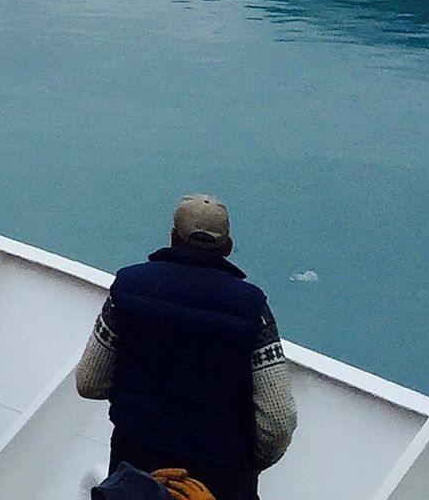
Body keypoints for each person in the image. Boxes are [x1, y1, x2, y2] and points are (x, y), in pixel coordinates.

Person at [77, 195, 298, 500]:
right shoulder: (252, 310)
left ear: (172, 237)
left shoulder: (128, 288)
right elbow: (277, 422)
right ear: (227, 247)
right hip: (222, 482)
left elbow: (89, 381)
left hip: (136, 473)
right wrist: (245, 463)